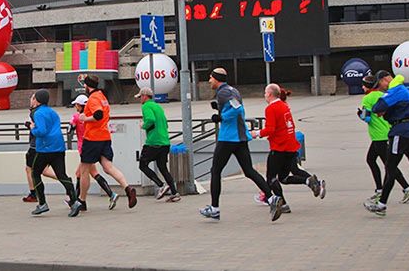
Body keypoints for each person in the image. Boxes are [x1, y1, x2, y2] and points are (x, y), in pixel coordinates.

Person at [200, 68, 282, 222]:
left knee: (215, 171)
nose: (209, 80)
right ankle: (272, 199)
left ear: (217, 79)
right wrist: (219, 109)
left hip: (228, 138)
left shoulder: (224, 92)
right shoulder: (233, 91)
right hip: (240, 137)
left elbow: (238, 109)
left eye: (210, 78)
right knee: (249, 171)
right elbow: (235, 107)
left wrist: (221, 117)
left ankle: (214, 209)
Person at [250, 84, 325, 214]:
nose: (264, 95)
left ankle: (282, 204)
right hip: (290, 146)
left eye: (265, 93)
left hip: (279, 147)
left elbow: (271, 129)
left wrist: (256, 133)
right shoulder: (284, 106)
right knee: (283, 178)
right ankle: (308, 180)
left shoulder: (271, 108)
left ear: (269, 94)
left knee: (271, 178)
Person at [70, 75, 136, 217]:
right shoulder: (102, 96)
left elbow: (98, 115)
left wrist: (85, 118)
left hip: (92, 138)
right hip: (105, 137)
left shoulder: (93, 99)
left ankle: (81, 200)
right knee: (108, 167)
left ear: (87, 87)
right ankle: (127, 188)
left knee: (84, 170)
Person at [364, 71, 409, 216]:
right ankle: (383, 203)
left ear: (384, 80)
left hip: (399, 133)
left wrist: (384, 110)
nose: (381, 89)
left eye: (380, 85)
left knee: (390, 166)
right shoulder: (403, 89)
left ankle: (382, 205)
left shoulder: (396, 90)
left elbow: (378, 107)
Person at [26, 89, 78, 216]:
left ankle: (42, 203)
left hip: (44, 148)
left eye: (33, 98)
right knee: (62, 175)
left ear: (37, 100)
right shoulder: (53, 112)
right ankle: (75, 201)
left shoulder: (38, 113)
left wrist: (32, 129)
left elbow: (42, 131)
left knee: (35, 173)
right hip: (59, 147)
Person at [69, 94, 117, 209]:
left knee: (89, 173)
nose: (75, 107)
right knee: (81, 173)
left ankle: (79, 201)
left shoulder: (77, 116)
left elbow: (70, 128)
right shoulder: (90, 116)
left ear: (79, 106)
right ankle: (79, 200)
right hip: (96, 143)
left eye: (76, 105)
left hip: (84, 147)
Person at [136, 88, 180, 202]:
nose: (140, 99)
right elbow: (165, 123)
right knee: (163, 167)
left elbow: (150, 119)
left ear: (145, 96)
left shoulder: (146, 106)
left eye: (140, 97)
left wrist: (143, 125)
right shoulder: (158, 106)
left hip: (153, 142)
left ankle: (161, 185)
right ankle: (175, 193)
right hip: (165, 141)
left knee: (142, 165)